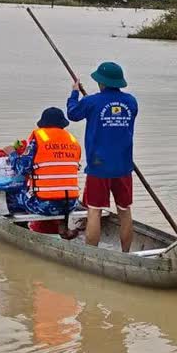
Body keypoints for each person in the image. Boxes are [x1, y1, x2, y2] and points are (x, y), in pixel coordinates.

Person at [66, 61, 138, 252]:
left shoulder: (92, 102)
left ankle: (92, 255)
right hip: (123, 165)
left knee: (94, 211)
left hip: (99, 166)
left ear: (101, 82)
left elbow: (72, 114)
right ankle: (126, 254)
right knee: (125, 211)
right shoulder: (131, 102)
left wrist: (75, 92)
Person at [4, 107, 83, 236]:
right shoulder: (73, 141)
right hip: (71, 204)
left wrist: (12, 153)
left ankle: (21, 228)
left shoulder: (38, 141)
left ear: (43, 124)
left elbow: (21, 170)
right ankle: (62, 224)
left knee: (13, 188)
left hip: (44, 205)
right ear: (63, 125)